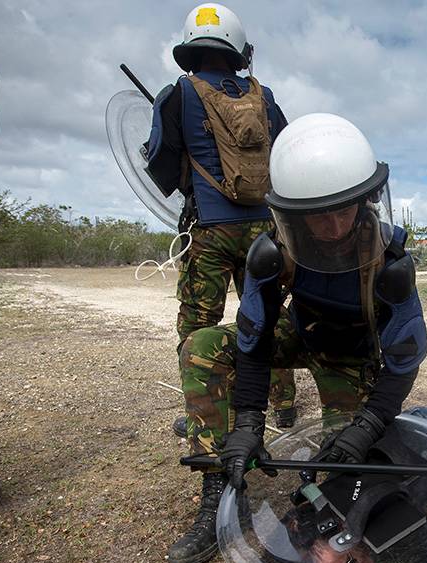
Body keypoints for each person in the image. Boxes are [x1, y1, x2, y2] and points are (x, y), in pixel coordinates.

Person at [167, 113, 427, 563]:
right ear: (292, 216)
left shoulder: (390, 263)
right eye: (317, 217)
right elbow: (254, 340)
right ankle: (220, 488)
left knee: (346, 464)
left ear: (366, 200)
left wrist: (367, 425)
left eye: (343, 211)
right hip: (300, 332)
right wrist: (249, 423)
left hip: (352, 357)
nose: (333, 228)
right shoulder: (273, 252)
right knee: (203, 346)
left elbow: (403, 362)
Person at [145, 3, 296, 438]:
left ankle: (207, 414)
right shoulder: (264, 97)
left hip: (209, 229)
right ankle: (284, 404)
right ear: (238, 49)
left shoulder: (178, 94)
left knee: (198, 326)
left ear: (191, 47)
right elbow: (287, 151)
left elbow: (160, 163)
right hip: (264, 229)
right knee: (266, 316)